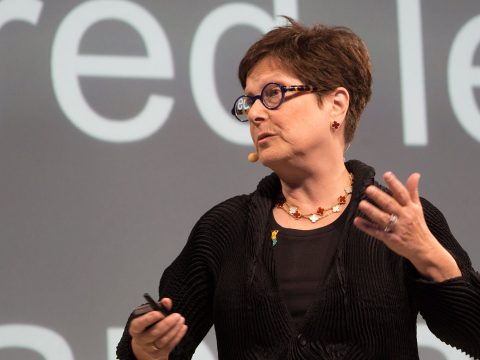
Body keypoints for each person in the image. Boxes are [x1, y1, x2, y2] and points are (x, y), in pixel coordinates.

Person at [117, 18, 480, 359]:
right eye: (249, 102)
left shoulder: (396, 219)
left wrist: (427, 255)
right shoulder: (225, 229)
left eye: (273, 93)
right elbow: (156, 345)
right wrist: (145, 347)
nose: (256, 114)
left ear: (336, 104)